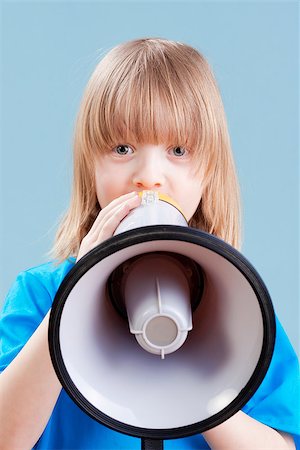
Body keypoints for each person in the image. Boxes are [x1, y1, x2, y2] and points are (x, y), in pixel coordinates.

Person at [0, 38, 298, 450]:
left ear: (209, 171)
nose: (149, 177)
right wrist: (69, 303)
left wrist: (202, 391)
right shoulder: (39, 294)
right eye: (122, 149)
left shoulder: (239, 304)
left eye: (178, 150)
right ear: (91, 166)